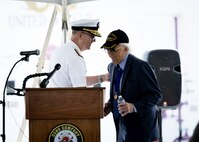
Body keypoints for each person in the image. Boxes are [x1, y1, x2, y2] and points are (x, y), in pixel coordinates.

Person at [102, 29, 162, 142]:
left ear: (126, 49)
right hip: (122, 128)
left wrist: (133, 106)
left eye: (114, 50)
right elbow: (118, 91)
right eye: (107, 50)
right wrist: (110, 104)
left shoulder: (141, 67)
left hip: (143, 131)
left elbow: (156, 95)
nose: (110, 54)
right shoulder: (112, 67)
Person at [48, 19, 109, 87]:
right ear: (80, 35)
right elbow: (80, 90)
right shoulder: (75, 57)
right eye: (92, 36)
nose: (94, 40)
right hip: (66, 97)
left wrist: (102, 78)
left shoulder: (60, 50)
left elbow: (78, 80)